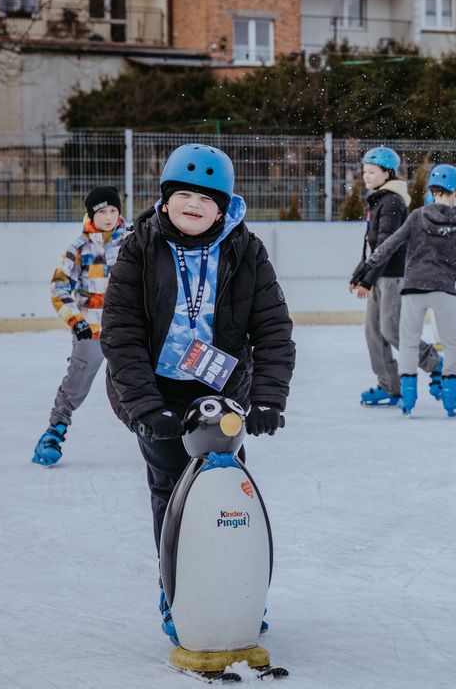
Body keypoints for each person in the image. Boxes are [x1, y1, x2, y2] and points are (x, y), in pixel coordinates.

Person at [100, 143, 295, 641]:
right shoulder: (140, 248)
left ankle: (235, 588)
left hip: (222, 392)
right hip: (158, 390)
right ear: (165, 199)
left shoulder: (245, 249)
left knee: (227, 489)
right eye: (183, 193)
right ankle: (177, 594)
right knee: (174, 493)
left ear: (224, 206)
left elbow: (272, 327)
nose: (193, 204)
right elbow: (120, 333)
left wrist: (269, 398)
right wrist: (144, 406)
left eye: (206, 198)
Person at [351, 164, 456, 417]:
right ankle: (451, 398)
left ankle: (408, 398)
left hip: (412, 289)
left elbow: (391, 243)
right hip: (443, 290)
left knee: (406, 342)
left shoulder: (417, 215)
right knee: (452, 344)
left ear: (432, 190)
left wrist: (369, 265)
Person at [32, 186, 128, 466]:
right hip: (93, 330)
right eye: (102, 212)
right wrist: (77, 321)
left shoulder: (133, 239)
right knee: (76, 384)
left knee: (142, 382)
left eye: (113, 210)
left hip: (128, 330)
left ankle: (161, 438)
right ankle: (54, 432)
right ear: (91, 215)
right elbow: (59, 286)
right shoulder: (79, 248)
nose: (109, 217)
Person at [349, 146, 443, 407]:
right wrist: (360, 274)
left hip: (392, 277)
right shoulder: (379, 199)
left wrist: (367, 280)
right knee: (373, 333)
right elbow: (371, 245)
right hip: (379, 276)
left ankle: (435, 364)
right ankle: (390, 386)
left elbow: (386, 247)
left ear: (387, 172)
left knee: (391, 330)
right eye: (364, 171)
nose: (366, 176)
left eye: (372, 171)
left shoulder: (391, 202)